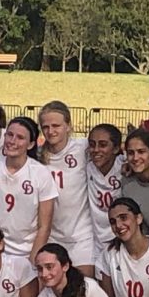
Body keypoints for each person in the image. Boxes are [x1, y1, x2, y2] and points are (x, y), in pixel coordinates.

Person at [0, 116, 58, 263]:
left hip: (28, 252)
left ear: (31, 144)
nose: (12, 141)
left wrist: (33, 261)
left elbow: (44, 227)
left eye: (20, 137)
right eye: (10, 135)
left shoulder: (41, 174)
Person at [39, 102, 94, 276]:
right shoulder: (37, 155)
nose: (50, 131)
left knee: (83, 290)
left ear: (68, 126)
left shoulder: (82, 147)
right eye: (45, 127)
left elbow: (109, 154)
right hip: (52, 236)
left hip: (81, 235)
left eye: (56, 126)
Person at [86, 124, 124, 273]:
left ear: (115, 148)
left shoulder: (125, 165)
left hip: (120, 239)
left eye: (103, 145)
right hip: (96, 241)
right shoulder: (87, 166)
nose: (96, 150)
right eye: (92, 145)